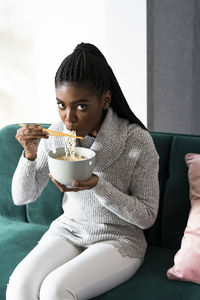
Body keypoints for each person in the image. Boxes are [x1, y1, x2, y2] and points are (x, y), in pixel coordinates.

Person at [6, 42, 159, 300]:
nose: (69, 119)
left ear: (105, 100)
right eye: (61, 105)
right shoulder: (58, 133)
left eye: (81, 106)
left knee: (55, 290)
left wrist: (97, 184)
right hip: (69, 229)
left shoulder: (136, 141)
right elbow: (22, 197)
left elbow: (146, 217)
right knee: (20, 285)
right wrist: (29, 155)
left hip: (119, 240)